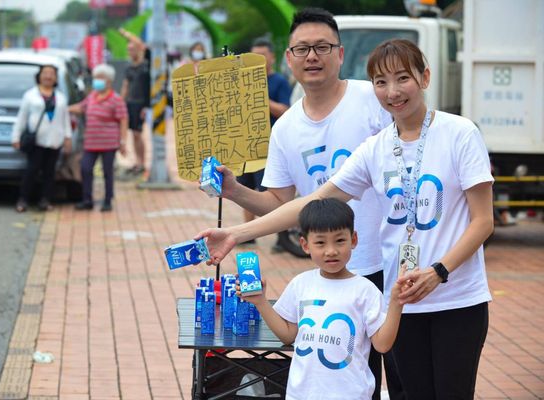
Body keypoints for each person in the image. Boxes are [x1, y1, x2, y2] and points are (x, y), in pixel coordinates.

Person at [199, 38, 494, 399]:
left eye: (403, 78)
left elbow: (483, 221)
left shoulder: (460, 133)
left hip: (457, 299)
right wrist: (234, 232)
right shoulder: (377, 148)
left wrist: (438, 272)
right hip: (401, 300)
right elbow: (312, 202)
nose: (393, 92)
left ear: (425, 77)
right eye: (381, 82)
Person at [216, 8, 397, 398]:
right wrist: (233, 190)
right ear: (289, 58)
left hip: (387, 264)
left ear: (341, 54)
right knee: (345, 378)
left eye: (321, 47)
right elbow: (279, 203)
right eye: (302, 48)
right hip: (331, 267)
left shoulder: (374, 100)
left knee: (399, 380)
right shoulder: (285, 128)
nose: (312, 56)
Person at [237, 198, 404, 399]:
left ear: (354, 240)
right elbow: (288, 335)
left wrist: (396, 302)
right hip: (302, 394)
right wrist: (261, 302)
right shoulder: (301, 284)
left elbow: (382, 345)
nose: (331, 250)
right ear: (305, 245)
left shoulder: (365, 290)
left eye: (340, 240)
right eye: (320, 242)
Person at [236, 37, 291, 245]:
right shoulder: (245, 80)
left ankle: (281, 237)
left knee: (270, 192)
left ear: (272, 57)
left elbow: (285, 110)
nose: (258, 59)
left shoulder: (279, 82)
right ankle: (248, 235)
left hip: (269, 146)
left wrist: (261, 99)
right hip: (246, 145)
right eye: (254, 55)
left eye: (263, 55)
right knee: (246, 189)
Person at [12, 64, 73, 212]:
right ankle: (23, 200)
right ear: (39, 76)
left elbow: (65, 118)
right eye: (45, 73)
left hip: (55, 140)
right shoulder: (30, 95)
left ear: (56, 78)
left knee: (50, 173)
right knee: (31, 171)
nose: (48, 76)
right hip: (36, 141)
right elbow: (22, 117)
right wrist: (16, 136)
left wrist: (67, 137)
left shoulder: (61, 97)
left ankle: (45, 200)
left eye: (52, 74)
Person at [69, 64, 127, 212]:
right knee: (86, 169)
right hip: (91, 142)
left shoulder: (116, 99)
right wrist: (63, 107)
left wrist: (122, 141)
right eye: (96, 78)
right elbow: (81, 107)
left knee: (107, 172)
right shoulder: (92, 96)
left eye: (100, 78)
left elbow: (123, 120)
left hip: (109, 142)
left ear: (109, 81)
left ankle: (107, 200)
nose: (97, 81)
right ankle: (87, 199)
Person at [119, 28, 151, 178]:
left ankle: (142, 163)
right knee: (133, 134)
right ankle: (138, 162)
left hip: (141, 104)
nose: (130, 52)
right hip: (130, 103)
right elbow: (125, 86)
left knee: (138, 133)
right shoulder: (129, 67)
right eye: (128, 50)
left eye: (132, 49)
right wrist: (120, 103)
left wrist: (126, 34)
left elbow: (140, 44)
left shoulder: (146, 64)